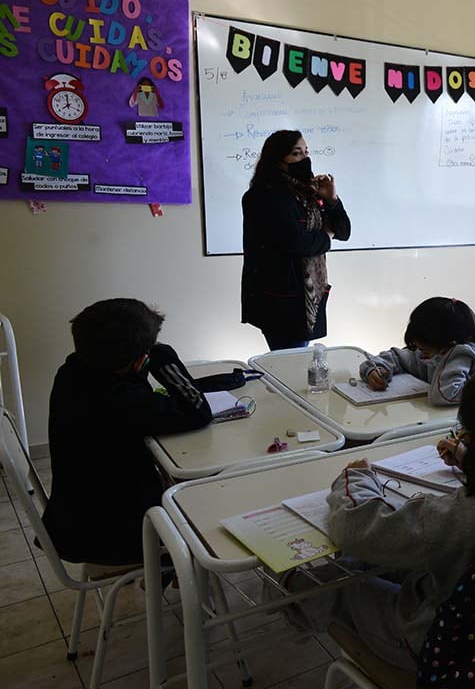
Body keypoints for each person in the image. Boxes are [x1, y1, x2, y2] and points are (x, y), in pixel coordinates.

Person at [286, 367, 475, 674]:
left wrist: (356, 478)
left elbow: (355, 528)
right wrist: (472, 457)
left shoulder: (462, 517)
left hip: (442, 646)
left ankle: (283, 597)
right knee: (372, 566)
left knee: (330, 583)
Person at [42, 299, 212, 565]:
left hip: (73, 520)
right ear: (139, 360)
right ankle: (176, 572)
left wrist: (138, 364)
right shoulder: (124, 400)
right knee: (205, 504)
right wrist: (164, 357)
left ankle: (168, 575)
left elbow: (130, 392)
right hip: (115, 536)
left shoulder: (71, 372)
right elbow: (199, 412)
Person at [241, 130, 352, 351]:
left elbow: (344, 231)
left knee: (295, 359)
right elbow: (296, 243)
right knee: (289, 361)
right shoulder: (263, 195)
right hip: (281, 297)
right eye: (296, 153)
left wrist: (332, 199)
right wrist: (326, 235)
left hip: (307, 293)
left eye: (306, 152)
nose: (305, 159)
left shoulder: (308, 192)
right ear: (277, 160)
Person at [359, 297, 475, 406]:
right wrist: (374, 369)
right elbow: (396, 356)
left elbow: (444, 395)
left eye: (424, 349)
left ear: (450, 347)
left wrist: (459, 353)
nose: (420, 355)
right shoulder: (430, 354)